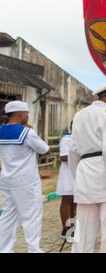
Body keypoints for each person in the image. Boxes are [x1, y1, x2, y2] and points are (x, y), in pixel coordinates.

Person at [70, 82, 106, 253]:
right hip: (105, 172)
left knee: (82, 227)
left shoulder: (80, 115)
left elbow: (73, 150)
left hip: (84, 170)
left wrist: (77, 177)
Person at [0, 101, 50, 253]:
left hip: (7, 180)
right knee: (32, 217)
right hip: (26, 182)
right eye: (27, 114)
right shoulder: (27, 132)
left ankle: (4, 249)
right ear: (19, 114)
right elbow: (45, 149)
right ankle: (34, 250)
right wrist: (31, 131)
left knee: (8, 216)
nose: (28, 116)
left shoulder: (1, 130)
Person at [56, 123, 77, 237]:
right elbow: (63, 157)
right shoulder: (66, 139)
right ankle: (65, 227)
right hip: (67, 173)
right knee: (67, 199)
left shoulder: (79, 138)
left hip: (76, 173)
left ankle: (72, 225)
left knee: (75, 201)